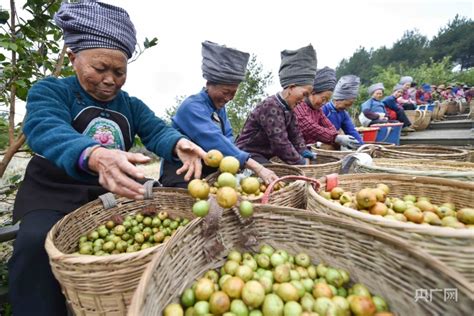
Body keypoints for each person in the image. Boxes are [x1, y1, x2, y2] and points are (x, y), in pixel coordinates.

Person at [8, 2, 206, 315]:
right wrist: (94, 154)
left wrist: (178, 143)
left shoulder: (130, 104)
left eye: (119, 72)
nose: (110, 80)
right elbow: (43, 126)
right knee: (34, 245)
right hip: (53, 193)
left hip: (109, 196)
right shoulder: (52, 91)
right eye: (100, 69)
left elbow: (156, 130)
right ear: (73, 58)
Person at [160, 41, 278, 188]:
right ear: (209, 83)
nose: (229, 98)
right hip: (181, 173)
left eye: (233, 93)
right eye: (225, 92)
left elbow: (227, 139)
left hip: (207, 173)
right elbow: (215, 141)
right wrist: (256, 167)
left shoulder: (219, 109)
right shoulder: (192, 107)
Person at [236, 44, 317, 164]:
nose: (304, 100)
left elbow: (295, 134)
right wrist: (301, 162)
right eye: (304, 94)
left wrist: (303, 151)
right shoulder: (271, 106)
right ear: (291, 87)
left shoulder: (288, 108)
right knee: (274, 175)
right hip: (248, 154)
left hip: (266, 155)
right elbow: (280, 143)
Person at [294, 68, 359, 149]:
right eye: (323, 98)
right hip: (296, 150)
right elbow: (309, 126)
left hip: (310, 150)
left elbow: (329, 126)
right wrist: (336, 137)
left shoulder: (318, 111)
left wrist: (338, 136)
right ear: (312, 93)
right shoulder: (299, 105)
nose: (324, 103)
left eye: (327, 100)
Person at [322, 75, 364, 147]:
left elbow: (351, 131)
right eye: (346, 104)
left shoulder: (343, 114)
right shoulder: (324, 109)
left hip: (334, 144)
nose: (347, 107)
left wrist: (362, 146)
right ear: (337, 99)